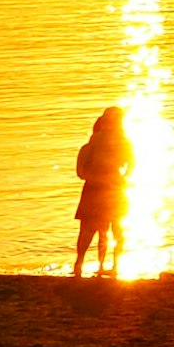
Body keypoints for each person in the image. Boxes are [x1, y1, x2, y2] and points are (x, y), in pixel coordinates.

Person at [71, 106, 134, 280]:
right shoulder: (113, 142)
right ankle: (101, 265)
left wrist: (107, 178)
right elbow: (131, 165)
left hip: (103, 187)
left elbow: (81, 172)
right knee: (104, 229)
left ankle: (93, 265)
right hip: (106, 188)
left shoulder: (118, 142)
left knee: (103, 229)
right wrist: (118, 178)